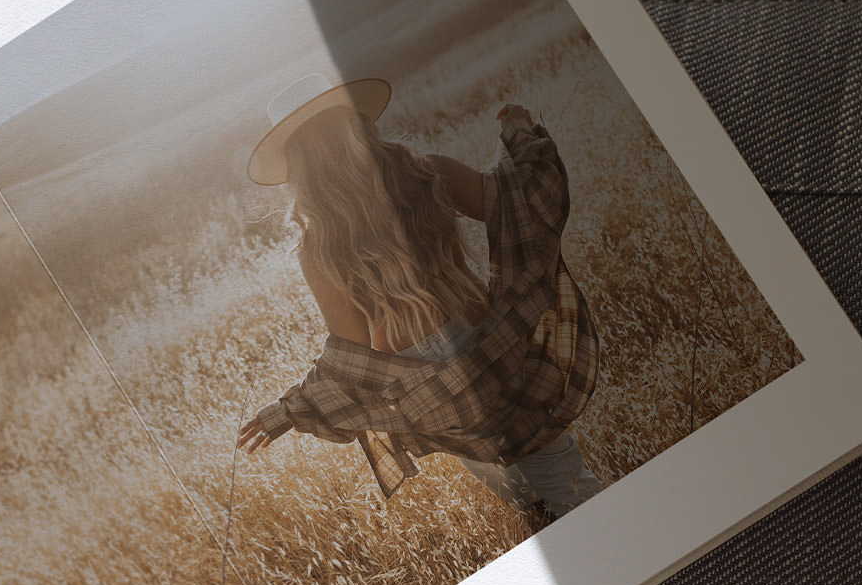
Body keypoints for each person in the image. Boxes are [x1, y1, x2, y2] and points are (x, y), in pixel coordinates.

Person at [234, 74, 603, 521]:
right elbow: (517, 202)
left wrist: (290, 409)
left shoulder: (319, 245)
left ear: (299, 163)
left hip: (420, 385)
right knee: (564, 478)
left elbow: (350, 353)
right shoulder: (426, 173)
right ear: (357, 124)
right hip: (490, 340)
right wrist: (519, 133)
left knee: (523, 498)